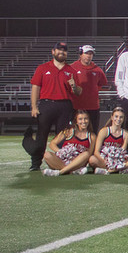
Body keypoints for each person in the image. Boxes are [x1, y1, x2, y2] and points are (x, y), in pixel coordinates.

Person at [29, 41, 81, 171]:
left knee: (63, 136)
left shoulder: (71, 70)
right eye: (59, 50)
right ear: (53, 52)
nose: (61, 52)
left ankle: (60, 162)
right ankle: (35, 164)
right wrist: (34, 107)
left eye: (64, 50)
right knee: (41, 135)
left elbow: (79, 92)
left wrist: (74, 86)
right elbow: (35, 87)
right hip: (46, 105)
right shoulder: (42, 68)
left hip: (65, 106)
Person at [42, 109, 93, 176]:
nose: (83, 121)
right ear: (76, 121)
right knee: (47, 154)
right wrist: (61, 152)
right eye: (80, 119)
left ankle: (60, 172)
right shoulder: (69, 131)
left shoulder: (91, 136)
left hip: (78, 162)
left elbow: (90, 153)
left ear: (89, 120)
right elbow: (52, 144)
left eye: (85, 119)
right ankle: (72, 171)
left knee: (86, 154)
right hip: (63, 160)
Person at [70, 45, 108, 129]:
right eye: (86, 53)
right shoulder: (72, 68)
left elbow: (103, 84)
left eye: (91, 54)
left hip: (93, 106)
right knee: (76, 131)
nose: (89, 56)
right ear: (80, 54)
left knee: (93, 131)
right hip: (77, 106)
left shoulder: (97, 70)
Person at [88, 107, 128, 174]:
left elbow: (122, 151)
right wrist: (106, 161)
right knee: (92, 159)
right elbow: (96, 152)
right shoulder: (104, 131)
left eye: (121, 117)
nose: (118, 119)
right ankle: (119, 169)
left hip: (118, 159)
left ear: (123, 119)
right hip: (104, 159)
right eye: (116, 116)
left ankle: (108, 170)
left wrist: (115, 160)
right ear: (112, 117)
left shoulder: (126, 134)